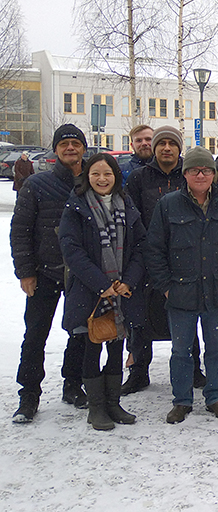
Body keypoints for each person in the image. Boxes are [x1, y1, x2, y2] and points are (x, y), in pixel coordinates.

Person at [145, 146, 218, 424]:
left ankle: (214, 396)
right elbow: (155, 249)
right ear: (185, 173)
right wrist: (165, 285)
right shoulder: (168, 205)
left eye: (205, 170)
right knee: (181, 351)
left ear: (213, 174)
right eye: (193, 170)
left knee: (216, 348)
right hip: (181, 292)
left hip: (217, 292)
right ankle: (182, 400)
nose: (200, 175)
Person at [58, 153, 146, 430]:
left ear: (115, 177)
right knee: (92, 347)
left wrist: (127, 281)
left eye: (107, 174)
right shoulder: (76, 207)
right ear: (87, 177)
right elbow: (72, 251)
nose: (102, 179)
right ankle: (96, 408)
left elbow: (141, 247)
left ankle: (113, 403)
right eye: (95, 173)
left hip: (123, 291)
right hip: (89, 292)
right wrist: (102, 285)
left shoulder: (126, 205)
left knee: (117, 346)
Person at [11, 124, 90, 423]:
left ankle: (73, 384)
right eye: (64, 144)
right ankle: (29, 394)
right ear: (56, 150)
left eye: (75, 143)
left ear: (83, 148)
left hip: (82, 274)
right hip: (45, 272)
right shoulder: (37, 184)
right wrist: (25, 271)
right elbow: (21, 231)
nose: (70, 148)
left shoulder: (93, 181)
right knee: (35, 335)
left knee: (80, 333)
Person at [122, 125, 205, 394]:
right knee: (141, 317)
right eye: (161, 143)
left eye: (172, 143)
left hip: (185, 257)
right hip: (147, 257)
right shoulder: (138, 178)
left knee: (185, 313)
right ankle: (139, 371)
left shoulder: (189, 175)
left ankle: (193, 369)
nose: (166, 148)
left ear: (179, 148)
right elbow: (131, 217)